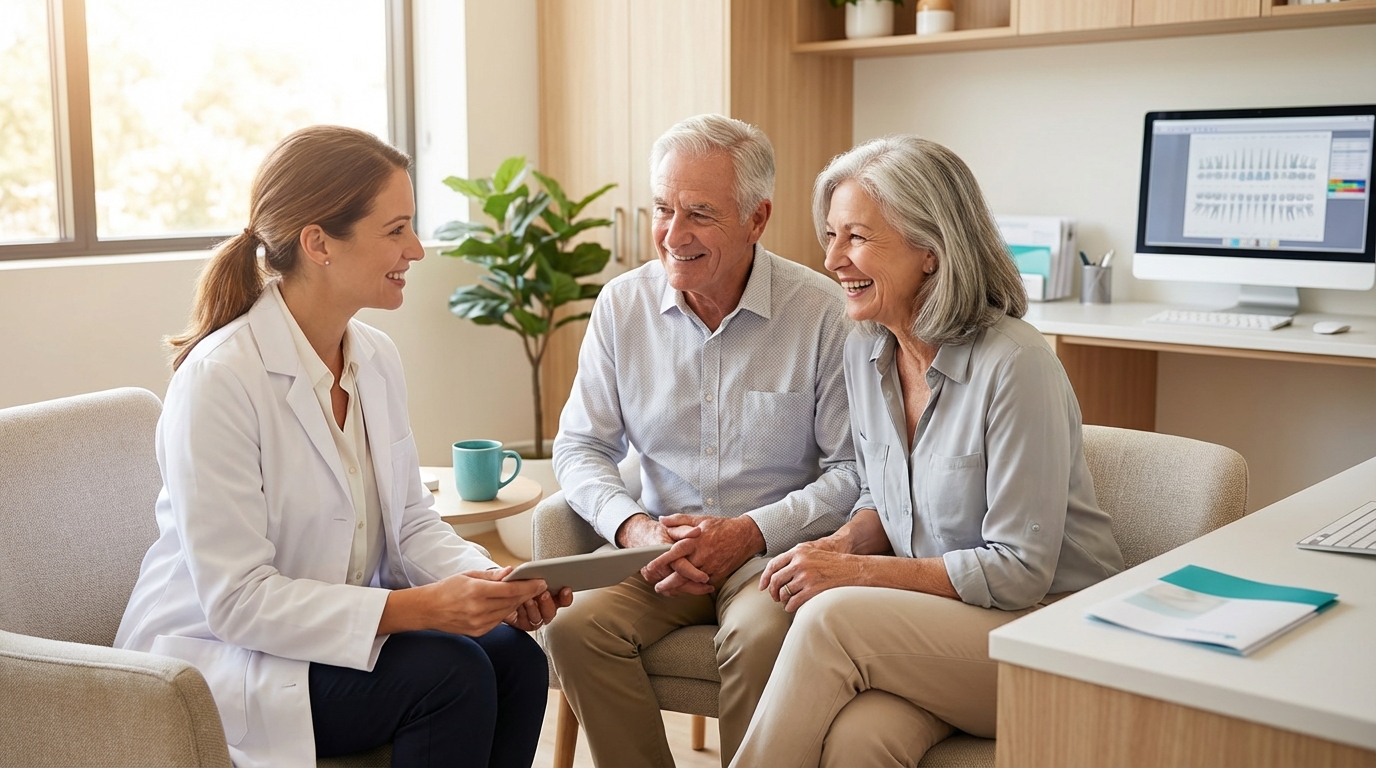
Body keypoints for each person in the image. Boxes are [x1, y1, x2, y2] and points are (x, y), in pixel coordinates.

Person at [115, 125, 571, 768]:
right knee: (450, 673)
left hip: (317, 640)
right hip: (225, 656)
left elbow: (411, 523)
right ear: (319, 243)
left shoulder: (375, 359)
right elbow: (238, 601)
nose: (416, 249)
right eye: (396, 230)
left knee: (515, 657)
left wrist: (494, 583)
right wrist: (417, 609)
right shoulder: (221, 379)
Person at [731, 135, 1126, 768]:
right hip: (942, 622)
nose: (832, 259)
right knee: (861, 740)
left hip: (1049, 634)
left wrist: (857, 576)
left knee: (834, 621)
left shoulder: (1016, 364)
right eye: (830, 235)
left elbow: (1019, 571)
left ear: (931, 253)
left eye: (855, 237)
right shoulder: (866, 350)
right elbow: (884, 497)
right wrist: (840, 547)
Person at [543, 114, 860, 767]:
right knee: (575, 629)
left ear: (757, 218)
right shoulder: (622, 308)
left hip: (769, 555)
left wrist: (747, 532)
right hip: (660, 552)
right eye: (663, 209)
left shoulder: (822, 313)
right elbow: (578, 447)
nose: (672, 235)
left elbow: (854, 470)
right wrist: (634, 530)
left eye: (699, 214)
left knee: (759, 634)